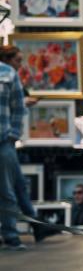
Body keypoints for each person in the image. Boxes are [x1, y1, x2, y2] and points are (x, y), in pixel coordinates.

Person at [0, 47, 27, 250]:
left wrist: (13, 135)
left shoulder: (8, 74)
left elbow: (19, 107)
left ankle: (10, 235)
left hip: (3, 141)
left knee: (6, 191)